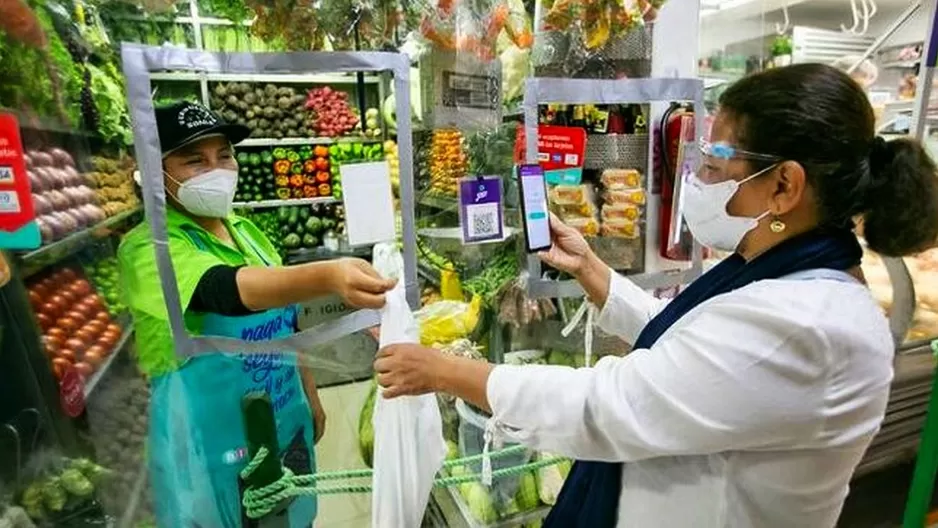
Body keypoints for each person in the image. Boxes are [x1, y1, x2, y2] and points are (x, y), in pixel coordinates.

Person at [373, 63, 938, 527]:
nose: (702, 182)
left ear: (784, 186)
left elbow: (613, 405)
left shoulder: (810, 325)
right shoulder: (778, 275)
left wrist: (446, 372)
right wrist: (597, 275)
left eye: (717, 164)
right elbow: (692, 348)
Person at [118, 101, 395, 528]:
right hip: (210, 444)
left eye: (224, 155)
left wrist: (308, 395)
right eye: (195, 160)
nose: (216, 169)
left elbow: (286, 321)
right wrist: (327, 274)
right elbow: (224, 291)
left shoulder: (246, 231)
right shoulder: (145, 249)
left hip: (284, 423)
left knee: (294, 518)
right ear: (156, 173)